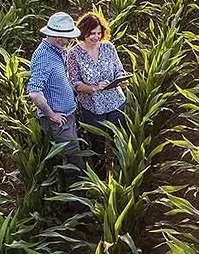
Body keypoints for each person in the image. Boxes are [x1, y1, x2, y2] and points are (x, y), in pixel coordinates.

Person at [66, 12, 128, 177]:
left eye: (98, 33)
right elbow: (74, 83)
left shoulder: (108, 47)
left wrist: (121, 79)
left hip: (116, 103)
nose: (96, 37)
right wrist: (93, 88)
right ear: (83, 32)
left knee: (120, 142)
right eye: (91, 33)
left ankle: (120, 177)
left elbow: (119, 70)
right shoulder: (74, 54)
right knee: (98, 147)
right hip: (93, 107)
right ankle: (101, 180)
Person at [26, 11, 85, 184]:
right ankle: (79, 205)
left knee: (71, 161)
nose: (70, 41)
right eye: (68, 38)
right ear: (57, 37)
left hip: (66, 115)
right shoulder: (44, 57)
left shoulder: (57, 50)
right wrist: (52, 115)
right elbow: (34, 93)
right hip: (59, 122)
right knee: (74, 164)